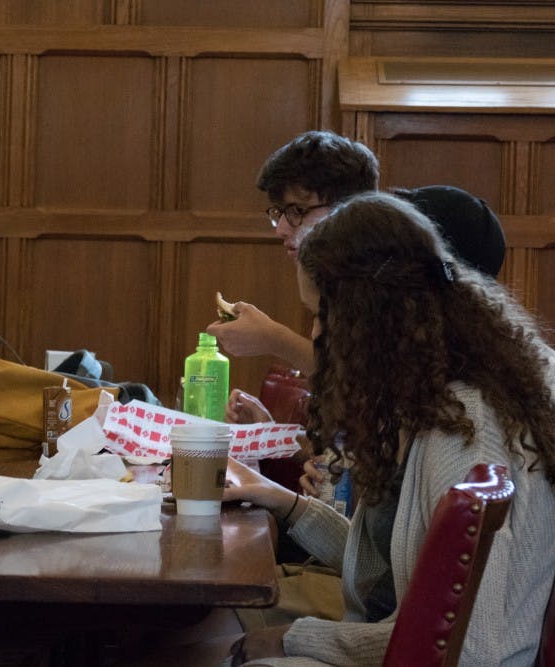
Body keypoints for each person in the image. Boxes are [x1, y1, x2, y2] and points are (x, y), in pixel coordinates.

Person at [224, 192, 555, 666]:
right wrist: (286, 503)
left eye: (322, 314)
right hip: (377, 643)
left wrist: (299, 638)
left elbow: (471, 648)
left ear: (371, 317)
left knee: (212, 640)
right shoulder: (428, 396)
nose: (315, 334)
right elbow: (391, 575)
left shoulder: (464, 428)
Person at [209, 131, 506, 424]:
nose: (281, 229)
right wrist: (272, 435)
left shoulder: (390, 291)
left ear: (349, 210)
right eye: (279, 213)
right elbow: (354, 450)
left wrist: (275, 339)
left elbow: (374, 388)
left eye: (298, 211)